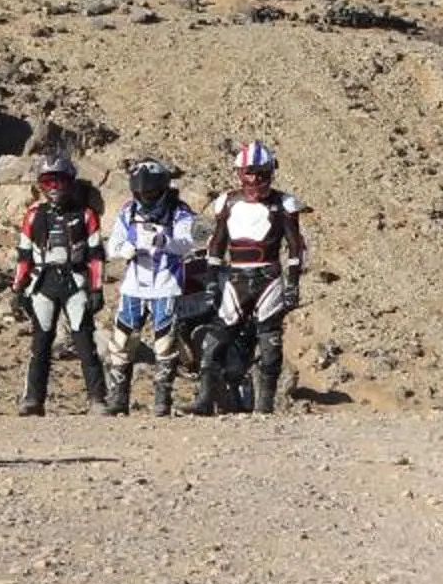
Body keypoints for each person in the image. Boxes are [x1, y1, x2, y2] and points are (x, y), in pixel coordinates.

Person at [200, 139, 307, 414]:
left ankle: (265, 406)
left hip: (269, 276)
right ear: (239, 173)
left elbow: (295, 246)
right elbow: (217, 243)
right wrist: (211, 280)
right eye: (250, 172)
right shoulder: (227, 202)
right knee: (215, 339)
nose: (255, 178)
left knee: (270, 342)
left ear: (271, 172)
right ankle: (204, 401)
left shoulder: (284, 203)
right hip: (234, 277)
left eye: (261, 172)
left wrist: (293, 283)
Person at [11, 152, 107, 414]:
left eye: (60, 182)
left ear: (71, 182)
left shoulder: (86, 215)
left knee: (84, 341)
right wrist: (17, 288)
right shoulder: (33, 215)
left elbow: (97, 254)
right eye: (48, 182)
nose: (55, 188)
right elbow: (24, 254)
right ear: (41, 185)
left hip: (75, 281)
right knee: (40, 342)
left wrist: (97, 288)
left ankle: (97, 400)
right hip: (42, 282)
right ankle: (33, 400)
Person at [101, 158, 198, 415]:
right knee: (122, 340)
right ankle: (118, 398)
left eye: (151, 193)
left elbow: (188, 243)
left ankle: (162, 399)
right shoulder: (128, 211)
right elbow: (112, 246)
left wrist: (165, 241)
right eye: (141, 193)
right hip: (133, 286)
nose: (146, 198)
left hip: (167, 284)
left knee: (165, 343)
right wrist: (126, 250)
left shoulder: (180, 212)